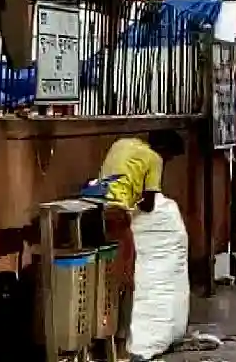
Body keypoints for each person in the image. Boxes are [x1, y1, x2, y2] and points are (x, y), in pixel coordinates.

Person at [96, 129, 185, 356]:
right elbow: (149, 204)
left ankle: (109, 338)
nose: (168, 161)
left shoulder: (122, 143)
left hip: (95, 207)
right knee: (127, 277)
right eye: (170, 157)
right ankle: (123, 345)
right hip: (116, 212)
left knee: (105, 274)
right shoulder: (154, 158)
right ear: (164, 150)